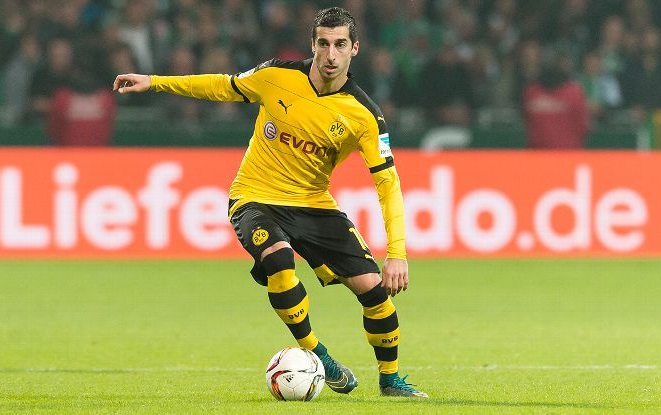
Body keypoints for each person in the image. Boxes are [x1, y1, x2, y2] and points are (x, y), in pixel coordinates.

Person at [113, 7, 427, 398]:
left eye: (340, 45)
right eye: (324, 44)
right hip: (255, 197)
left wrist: (397, 253)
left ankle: (390, 380)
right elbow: (221, 85)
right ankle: (320, 356)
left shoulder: (365, 115)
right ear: (313, 45)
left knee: (374, 292)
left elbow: (387, 184)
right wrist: (155, 82)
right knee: (278, 260)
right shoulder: (276, 76)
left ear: (355, 49)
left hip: (313, 203)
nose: (330, 54)